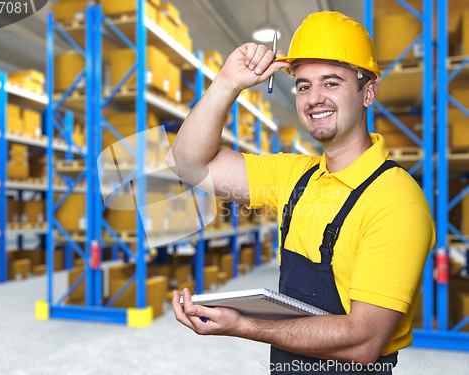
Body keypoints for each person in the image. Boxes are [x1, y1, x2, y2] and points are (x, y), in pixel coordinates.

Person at [167, 11, 435, 375]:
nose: (314, 98)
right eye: (304, 86)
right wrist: (227, 83)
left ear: (367, 91)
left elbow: (364, 342)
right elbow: (187, 164)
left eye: (331, 82)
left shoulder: (396, 202)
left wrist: (243, 326)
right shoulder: (295, 176)